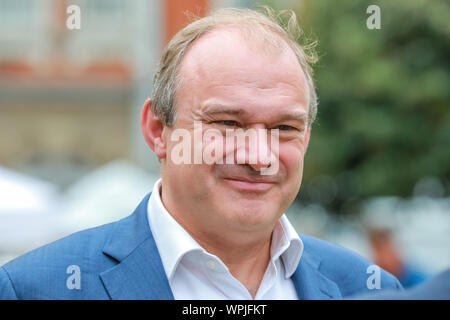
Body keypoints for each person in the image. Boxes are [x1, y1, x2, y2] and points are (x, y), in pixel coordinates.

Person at [0, 7, 402, 300]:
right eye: (228, 123)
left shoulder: (370, 289)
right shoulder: (36, 289)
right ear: (159, 130)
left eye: (284, 128)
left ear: (307, 138)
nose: (259, 156)